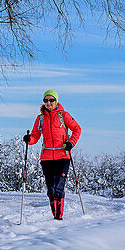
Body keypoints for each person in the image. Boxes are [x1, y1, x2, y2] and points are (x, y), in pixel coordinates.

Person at [24, 89, 81, 220]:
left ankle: (58, 217)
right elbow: (35, 136)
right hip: (47, 158)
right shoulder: (40, 118)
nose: (48, 103)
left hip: (62, 156)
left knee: (58, 186)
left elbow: (77, 129)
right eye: (46, 100)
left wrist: (71, 143)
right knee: (51, 189)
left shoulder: (64, 115)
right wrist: (29, 140)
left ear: (56, 101)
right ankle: (54, 215)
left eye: (51, 100)